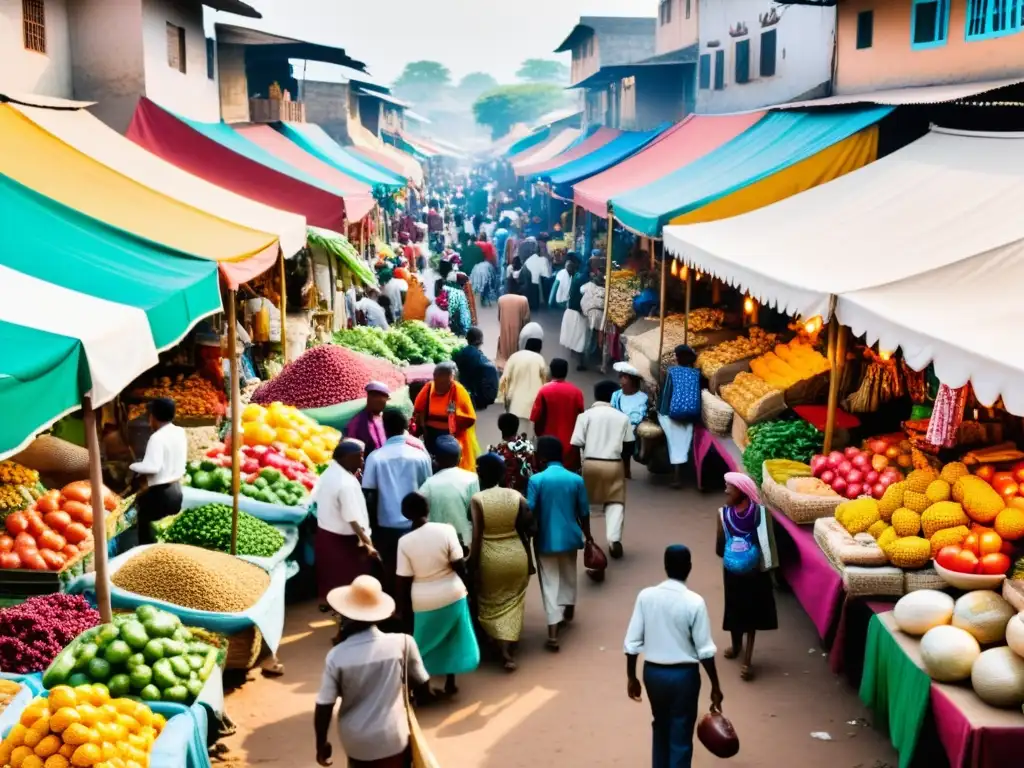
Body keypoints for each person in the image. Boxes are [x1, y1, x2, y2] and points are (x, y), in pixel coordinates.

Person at [314, 575, 434, 768]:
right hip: (394, 737)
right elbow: (422, 685)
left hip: (356, 743)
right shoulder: (403, 643)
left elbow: (324, 705)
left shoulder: (337, 656)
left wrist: (321, 744)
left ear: (345, 613)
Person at [624, 545, 724, 768]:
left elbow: (631, 645)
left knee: (660, 725)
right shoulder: (694, 602)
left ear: (665, 566)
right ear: (689, 567)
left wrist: (632, 677)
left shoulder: (646, 596)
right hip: (684, 677)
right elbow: (705, 651)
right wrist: (715, 686)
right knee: (681, 734)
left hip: (653, 674)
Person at [396, 493, 480, 696]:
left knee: (422, 643)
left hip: (424, 600)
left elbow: (404, 580)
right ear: (428, 509)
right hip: (452, 593)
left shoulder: (405, 542)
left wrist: (403, 608)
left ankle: (422, 688)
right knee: (452, 638)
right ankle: (450, 681)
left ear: (405, 514)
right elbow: (460, 565)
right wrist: (470, 591)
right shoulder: (446, 530)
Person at [527, 437, 592, 652]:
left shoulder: (536, 480)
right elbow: (584, 512)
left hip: (545, 538)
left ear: (542, 457)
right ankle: (569, 607)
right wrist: (589, 536)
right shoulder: (576, 479)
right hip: (570, 537)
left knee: (549, 583)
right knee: (568, 572)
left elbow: (530, 509)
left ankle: (553, 633)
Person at [470, 454, 532, 671]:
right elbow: (528, 523)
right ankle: (509, 643)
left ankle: (502, 647)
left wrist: (472, 563)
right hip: (516, 555)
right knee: (513, 600)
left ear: (481, 474)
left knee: (490, 600)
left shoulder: (478, 499)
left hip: (491, 556)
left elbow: (477, 536)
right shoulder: (516, 496)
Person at [362, 410, 433, 595]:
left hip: (386, 527)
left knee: (391, 571)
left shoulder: (375, 458)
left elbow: (369, 495)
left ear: (384, 428)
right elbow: (428, 490)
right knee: (417, 572)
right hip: (416, 525)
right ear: (406, 427)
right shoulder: (421, 456)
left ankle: (391, 611)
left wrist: (370, 530)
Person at [717, 472, 778, 681]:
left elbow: (719, 548)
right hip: (748, 572)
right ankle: (740, 652)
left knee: (741, 612)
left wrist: (734, 555)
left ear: (742, 492)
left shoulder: (724, 515)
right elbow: (768, 544)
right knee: (742, 613)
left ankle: (743, 655)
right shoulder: (760, 514)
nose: (725, 490)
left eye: (729, 487)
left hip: (741, 573)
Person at [312, 439, 379, 616]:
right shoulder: (345, 483)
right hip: (344, 539)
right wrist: (368, 543)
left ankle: (330, 603)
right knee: (348, 579)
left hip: (326, 533)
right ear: (347, 458)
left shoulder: (329, 472)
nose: (362, 462)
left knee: (330, 575)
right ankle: (346, 611)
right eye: (359, 457)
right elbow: (353, 519)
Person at [572, 381, 632, 560]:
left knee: (585, 503)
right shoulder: (622, 417)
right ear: (614, 395)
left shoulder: (585, 416)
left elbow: (576, 443)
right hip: (614, 464)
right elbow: (629, 445)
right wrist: (626, 468)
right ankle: (614, 539)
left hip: (590, 462)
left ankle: (585, 537)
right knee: (615, 502)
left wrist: (579, 466)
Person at [130, 397, 187, 544]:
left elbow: (152, 467)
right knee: (168, 534)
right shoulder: (180, 431)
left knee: (149, 541)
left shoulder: (157, 437)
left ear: (153, 417)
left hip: (158, 495)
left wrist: (133, 466)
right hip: (176, 491)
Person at [413, 362, 479, 471]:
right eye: (439, 382)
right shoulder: (429, 388)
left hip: (450, 436)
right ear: (434, 378)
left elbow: (470, 418)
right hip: (430, 434)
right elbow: (418, 409)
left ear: (451, 379)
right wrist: (422, 426)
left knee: (450, 465)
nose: (441, 386)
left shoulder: (457, 390)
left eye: (446, 383)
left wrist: (455, 415)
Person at [418, 436, 479, 548]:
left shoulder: (428, 484)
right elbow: (475, 515)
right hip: (465, 543)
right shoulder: (472, 479)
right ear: (460, 458)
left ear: (435, 460)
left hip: (437, 544)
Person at [531, 359, 586, 471]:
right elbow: (581, 416)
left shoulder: (544, 391)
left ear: (550, 371)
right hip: (570, 445)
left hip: (547, 444)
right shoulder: (576, 392)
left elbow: (535, 416)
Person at [660, 345, 702, 489]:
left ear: (677, 358)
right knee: (683, 441)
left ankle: (676, 475)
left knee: (674, 442)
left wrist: (662, 412)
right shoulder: (696, 373)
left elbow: (666, 394)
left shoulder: (671, 372)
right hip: (692, 415)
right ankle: (685, 469)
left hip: (674, 414)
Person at [498, 337, 548, 430]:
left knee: (513, 434)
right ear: (539, 348)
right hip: (533, 405)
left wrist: (502, 399)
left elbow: (504, 379)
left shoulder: (515, 356)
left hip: (514, 403)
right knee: (528, 436)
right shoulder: (539, 359)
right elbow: (545, 381)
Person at [612, 363, 650, 480]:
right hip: (619, 429)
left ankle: (627, 467)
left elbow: (644, 414)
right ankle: (623, 470)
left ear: (632, 380)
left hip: (635, 431)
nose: (621, 380)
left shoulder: (643, 397)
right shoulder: (616, 395)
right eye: (621, 376)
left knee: (629, 452)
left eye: (625, 377)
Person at [488, 414, 537, 496]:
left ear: (500, 428)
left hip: (507, 494)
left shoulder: (499, 450)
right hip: (527, 491)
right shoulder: (528, 446)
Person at [452, 327, 498, 410]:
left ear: (467, 339)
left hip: (463, 391)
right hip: (475, 396)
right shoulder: (480, 358)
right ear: (480, 341)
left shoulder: (460, 353)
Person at [559, 256, 589, 370]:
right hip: (576, 312)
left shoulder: (577, 278)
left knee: (575, 337)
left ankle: (577, 358)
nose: (568, 270)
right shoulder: (579, 278)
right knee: (579, 338)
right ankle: (580, 362)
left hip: (573, 311)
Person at [345, 382, 391, 455]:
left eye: (384, 401)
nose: (383, 404)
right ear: (370, 398)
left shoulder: (386, 419)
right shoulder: (357, 422)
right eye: (379, 400)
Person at [495, 281, 530, 369]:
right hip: (518, 330)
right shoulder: (523, 299)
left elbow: (499, 317)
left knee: (504, 346)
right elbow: (527, 318)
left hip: (505, 329)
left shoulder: (501, 299)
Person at [523, 240, 551, 310]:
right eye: (544, 248)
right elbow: (547, 275)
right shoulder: (543, 260)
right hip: (536, 295)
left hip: (528, 294)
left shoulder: (529, 259)